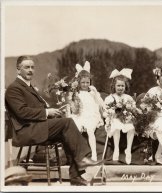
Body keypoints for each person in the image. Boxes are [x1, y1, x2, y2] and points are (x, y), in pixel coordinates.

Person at [5, 56, 101, 186]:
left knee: (66, 130)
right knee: (67, 123)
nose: (30, 70)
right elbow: (21, 112)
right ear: (18, 69)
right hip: (25, 130)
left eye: (32, 67)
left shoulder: (29, 87)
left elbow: (38, 109)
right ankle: (83, 159)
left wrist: (53, 112)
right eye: (26, 67)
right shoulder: (14, 88)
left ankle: (76, 177)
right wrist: (46, 112)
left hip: (36, 126)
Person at [69, 61, 105, 161]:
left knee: (90, 130)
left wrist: (98, 98)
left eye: (87, 82)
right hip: (80, 114)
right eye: (83, 82)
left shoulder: (92, 91)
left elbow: (100, 102)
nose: (85, 85)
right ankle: (77, 154)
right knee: (76, 128)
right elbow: (73, 107)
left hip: (92, 115)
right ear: (78, 82)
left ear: (90, 82)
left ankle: (94, 154)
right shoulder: (76, 92)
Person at [104, 68, 136, 165]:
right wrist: (113, 112)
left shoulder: (128, 97)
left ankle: (128, 150)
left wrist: (129, 113)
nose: (120, 88)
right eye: (118, 85)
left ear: (125, 87)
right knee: (116, 126)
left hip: (125, 120)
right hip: (114, 119)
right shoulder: (110, 98)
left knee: (131, 127)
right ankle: (116, 149)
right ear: (114, 86)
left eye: (122, 86)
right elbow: (106, 112)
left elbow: (133, 109)